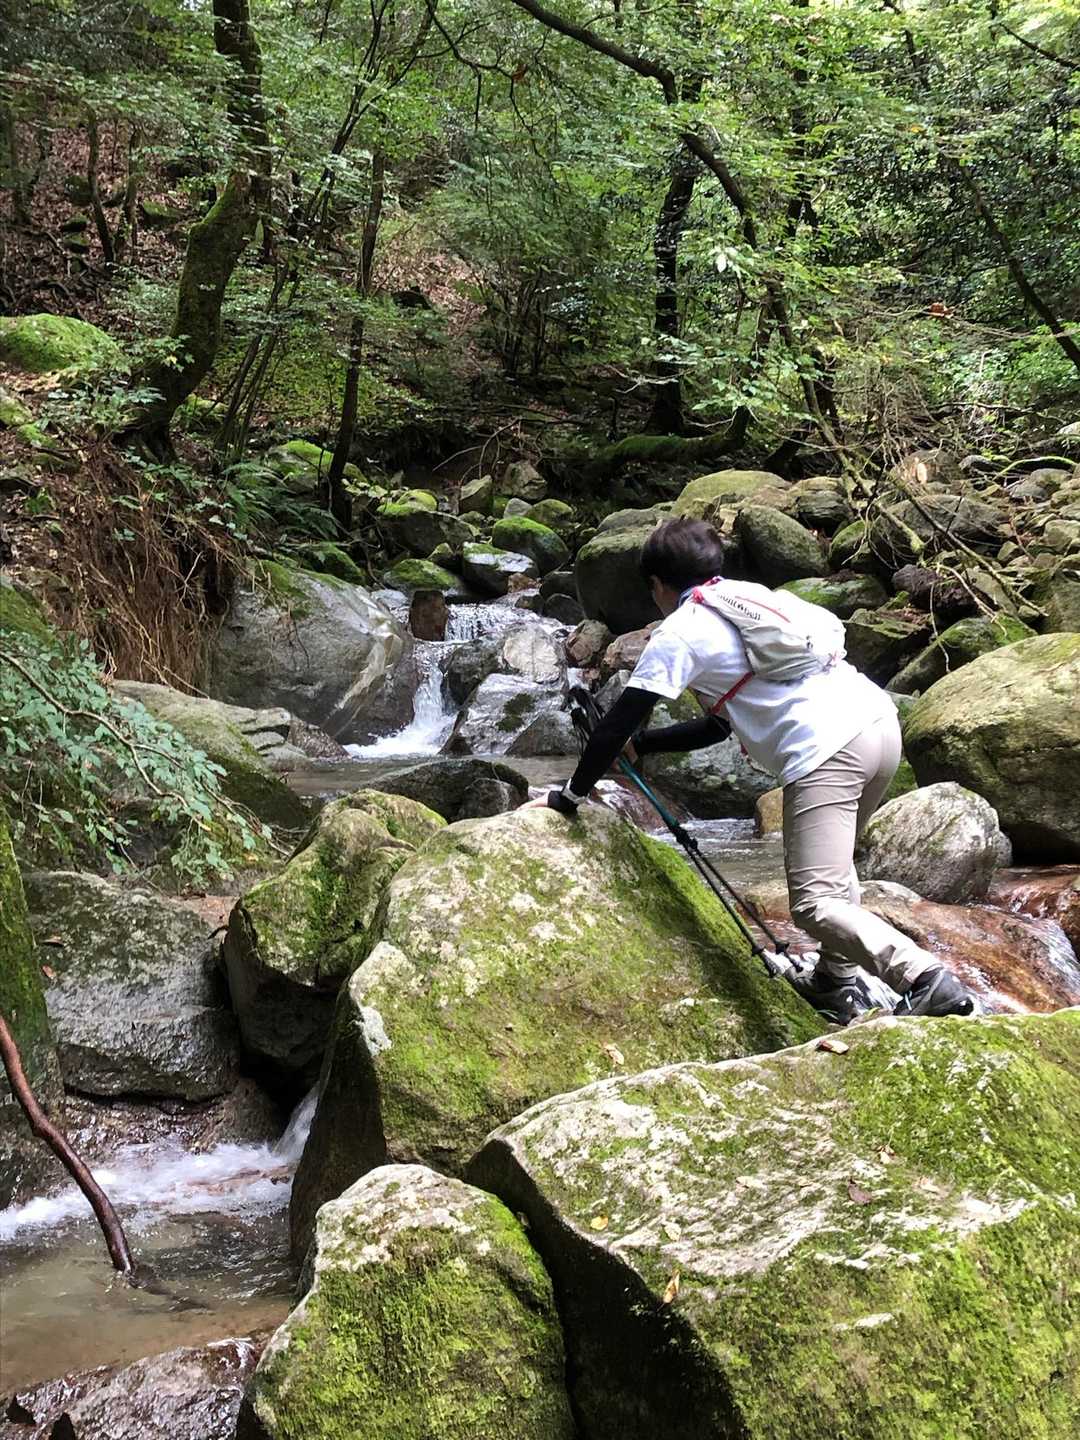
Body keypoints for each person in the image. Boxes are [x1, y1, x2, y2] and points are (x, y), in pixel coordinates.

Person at [528, 516, 974, 1021]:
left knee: (813, 903)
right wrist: (645, 745)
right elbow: (716, 728)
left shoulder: (680, 632)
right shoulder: (747, 599)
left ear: (657, 584)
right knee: (835, 874)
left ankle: (925, 978)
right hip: (878, 726)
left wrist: (569, 797)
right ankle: (834, 982)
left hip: (828, 748)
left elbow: (616, 723)